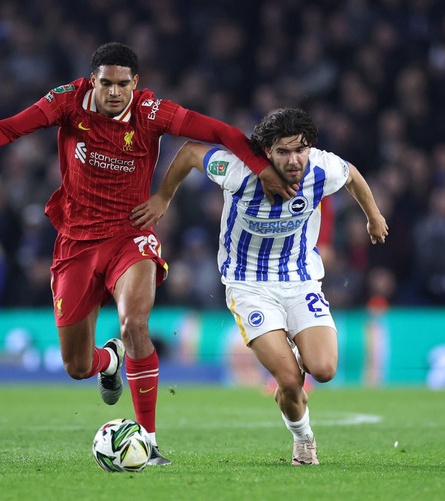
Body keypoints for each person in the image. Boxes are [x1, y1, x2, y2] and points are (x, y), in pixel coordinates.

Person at [0, 42, 296, 466]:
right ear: (93, 82)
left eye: (124, 84)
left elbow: (217, 131)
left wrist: (260, 167)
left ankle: (149, 440)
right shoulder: (68, 101)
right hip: (76, 243)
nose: (115, 92)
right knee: (77, 365)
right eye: (107, 83)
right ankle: (110, 361)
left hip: (131, 235)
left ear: (135, 83)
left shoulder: (151, 112)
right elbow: (11, 127)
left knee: (134, 322)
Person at [131, 107, 388, 465]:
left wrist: (373, 216)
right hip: (248, 286)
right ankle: (304, 439)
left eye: (299, 149)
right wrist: (163, 197)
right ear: (266, 152)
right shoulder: (236, 171)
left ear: (309, 147)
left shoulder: (322, 168)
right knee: (289, 378)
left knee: (325, 370)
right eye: (282, 151)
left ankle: (293, 359)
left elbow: (353, 176)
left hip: (300, 280)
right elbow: (190, 152)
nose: (294, 159)